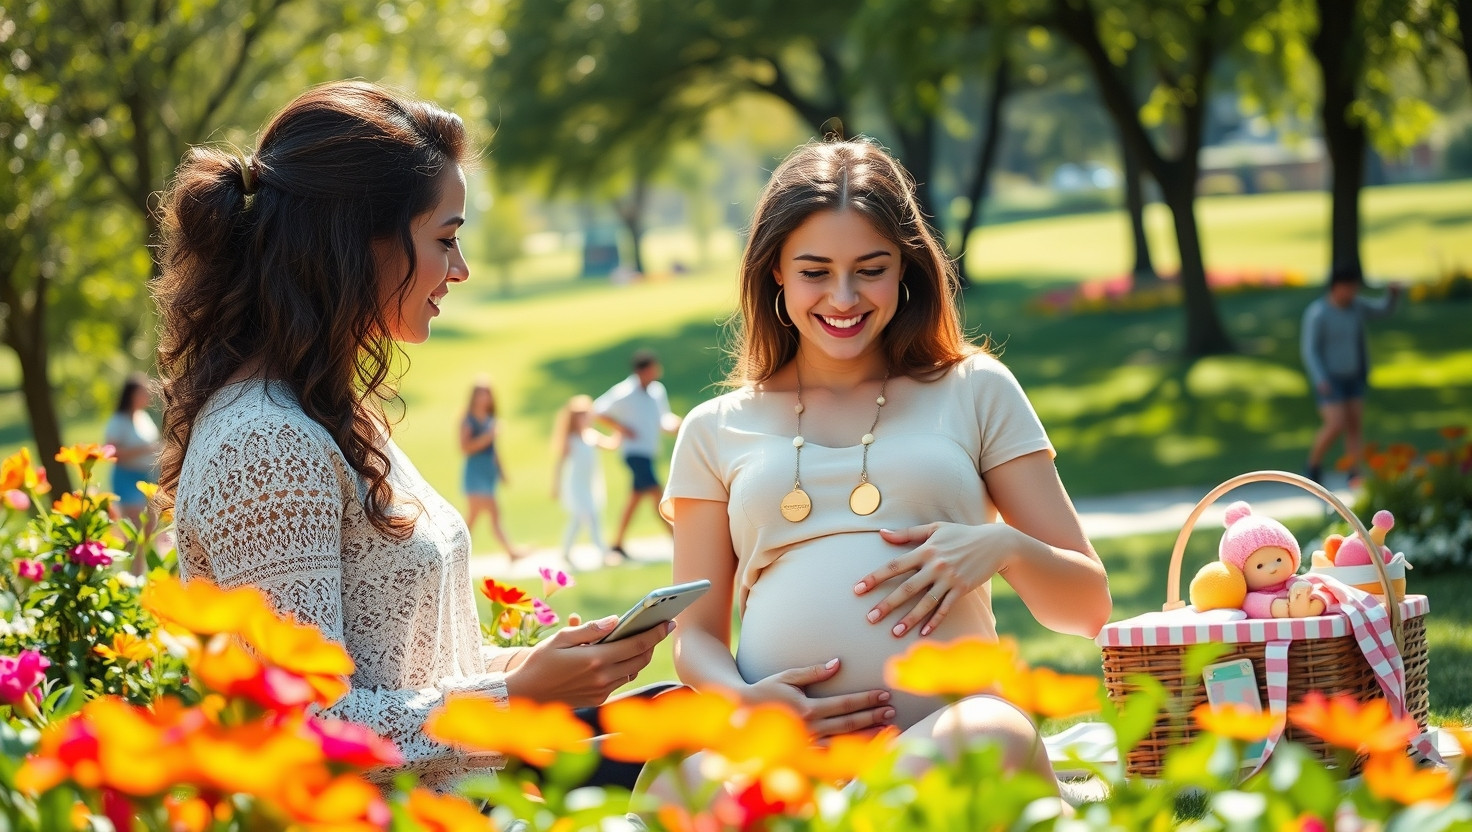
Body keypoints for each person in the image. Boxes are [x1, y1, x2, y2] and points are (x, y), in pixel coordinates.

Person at [152, 81, 670, 792]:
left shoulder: (330, 414)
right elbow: (305, 729)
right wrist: (515, 698)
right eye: (445, 240)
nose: (460, 269)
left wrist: (522, 670)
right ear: (354, 242)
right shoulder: (263, 444)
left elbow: (394, 673)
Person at [659, 139, 1112, 793]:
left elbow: (1090, 607)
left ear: (906, 269)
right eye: (815, 271)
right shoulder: (713, 430)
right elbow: (694, 637)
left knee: (992, 735)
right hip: (790, 757)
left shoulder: (976, 389)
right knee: (684, 780)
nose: (843, 297)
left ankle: (851, 812)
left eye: (870, 268)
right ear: (775, 273)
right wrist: (741, 698)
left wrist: (1003, 547)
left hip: (952, 748)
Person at [1300, 265, 1400, 484]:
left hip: (1354, 376)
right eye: (1349, 288)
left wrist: (1392, 296)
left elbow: (1382, 310)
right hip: (1330, 378)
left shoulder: (1356, 307)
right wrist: (1320, 378)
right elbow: (1310, 350)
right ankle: (1313, 465)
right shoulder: (1318, 313)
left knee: (1354, 424)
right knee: (1336, 424)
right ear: (1337, 287)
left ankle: (1355, 472)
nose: (1353, 293)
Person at [594, 349, 681, 563]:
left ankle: (617, 542)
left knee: (635, 498)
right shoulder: (624, 391)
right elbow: (598, 410)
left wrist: (680, 425)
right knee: (657, 494)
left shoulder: (656, 391)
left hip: (649, 451)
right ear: (642, 371)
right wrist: (621, 428)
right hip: (634, 452)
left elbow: (663, 420)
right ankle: (677, 539)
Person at [551, 394, 619, 566]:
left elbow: (611, 445)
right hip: (576, 485)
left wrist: (619, 427)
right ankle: (604, 553)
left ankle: (566, 551)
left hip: (590, 484)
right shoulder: (570, 439)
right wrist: (555, 486)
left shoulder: (591, 435)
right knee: (591, 516)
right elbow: (559, 463)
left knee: (578, 519)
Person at [105, 372, 162, 575]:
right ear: (131, 395)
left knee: (150, 526)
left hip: (147, 478)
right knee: (136, 527)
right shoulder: (118, 421)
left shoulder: (143, 417)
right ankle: (132, 574)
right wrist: (146, 450)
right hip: (127, 478)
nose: (147, 396)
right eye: (143, 392)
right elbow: (111, 453)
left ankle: (141, 571)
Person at [461, 378, 521, 558]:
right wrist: (488, 436)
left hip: (488, 474)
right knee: (490, 514)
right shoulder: (469, 420)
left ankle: (458, 551)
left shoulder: (489, 420)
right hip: (475, 473)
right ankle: (512, 551)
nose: (484, 398)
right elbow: (465, 447)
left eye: (487, 393)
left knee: (473, 518)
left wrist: (501, 472)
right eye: (480, 393)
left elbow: (494, 451)